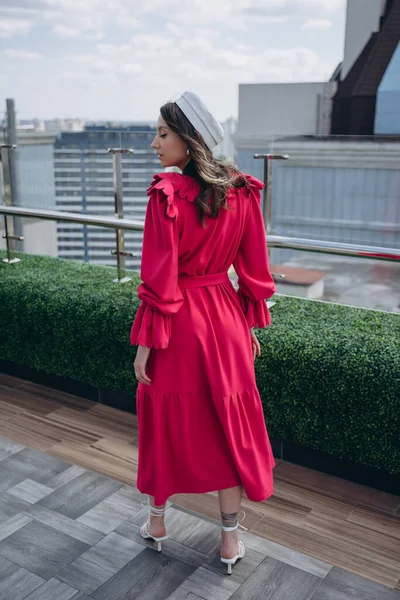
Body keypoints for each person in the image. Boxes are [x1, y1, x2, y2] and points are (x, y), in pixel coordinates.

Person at [130, 90, 276, 574]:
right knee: (227, 427)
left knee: (166, 422)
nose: (155, 143)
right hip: (226, 319)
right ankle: (230, 541)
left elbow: (160, 280)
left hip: (180, 326)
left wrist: (145, 346)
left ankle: (156, 523)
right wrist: (247, 324)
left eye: (162, 133)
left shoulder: (166, 196)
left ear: (188, 141)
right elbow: (254, 270)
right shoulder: (242, 192)